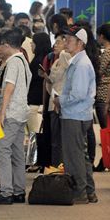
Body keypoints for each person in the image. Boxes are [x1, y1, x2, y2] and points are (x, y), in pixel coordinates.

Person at [0, 28, 31, 205]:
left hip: (11, 112)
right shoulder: (23, 60)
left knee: (3, 150)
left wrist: (2, 113)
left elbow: (9, 88)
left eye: (0, 44)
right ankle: (18, 190)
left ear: (7, 45)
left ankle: (6, 192)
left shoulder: (13, 62)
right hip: (21, 112)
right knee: (17, 152)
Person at [54, 26, 98, 204]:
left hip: (75, 115)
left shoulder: (81, 64)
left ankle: (80, 193)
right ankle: (89, 191)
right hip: (79, 114)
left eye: (69, 40)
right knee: (82, 154)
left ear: (80, 43)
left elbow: (78, 94)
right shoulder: (80, 61)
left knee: (74, 156)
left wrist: (60, 100)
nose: (65, 42)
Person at [93, 24, 110, 171]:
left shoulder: (108, 51)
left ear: (102, 36)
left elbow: (100, 70)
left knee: (106, 129)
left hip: (103, 92)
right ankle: (106, 161)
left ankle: (105, 161)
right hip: (106, 91)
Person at [26, 32, 52, 172]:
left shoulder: (38, 61)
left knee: (34, 134)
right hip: (42, 102)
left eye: (33, 42)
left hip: (35, 103)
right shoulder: (47, 58)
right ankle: (37, 162)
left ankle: (35, 162)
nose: (31, 44)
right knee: (37, 133)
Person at [45, 33, 70, 169]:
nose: (55, 45)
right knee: (55, 139)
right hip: (53, 100)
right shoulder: (55, 60)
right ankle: (55, 167)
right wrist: (45, 76)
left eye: (59, 42)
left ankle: (62, 167)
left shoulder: (66, 57)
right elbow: (52, 80)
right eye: (55, 42)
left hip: (62, 102)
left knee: (61, 139)